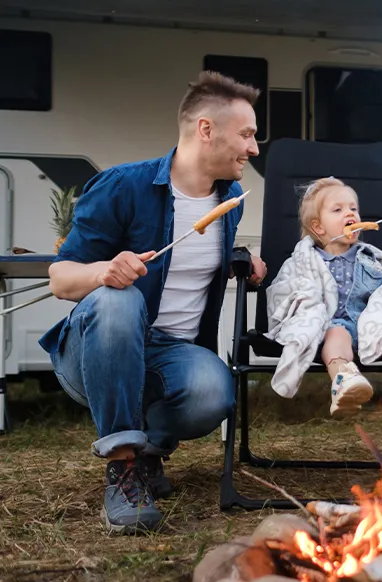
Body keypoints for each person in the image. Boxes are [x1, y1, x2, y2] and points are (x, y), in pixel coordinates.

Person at [39, 71, 267, 534]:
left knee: (213, 390)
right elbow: (60, 278)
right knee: (118, 301)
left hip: (171, 354)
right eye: (247, 134)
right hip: (99, 351)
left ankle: (146, 454)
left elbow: (189, 259)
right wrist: (104, 271)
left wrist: (239, 260)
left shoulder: (232, 198)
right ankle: (123, 470)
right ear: (206, 130)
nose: (255, 148)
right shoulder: (123, 187)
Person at [266, 177, 382, 416]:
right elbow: (287, 290)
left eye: (353, 208)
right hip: (331, 324)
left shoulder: (367, 258)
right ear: (318, 227)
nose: (350, 214)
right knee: (336, 336)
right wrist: (306, 303)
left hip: (366, 321)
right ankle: (344, 379)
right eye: (338, 210)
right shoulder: (305, 261)